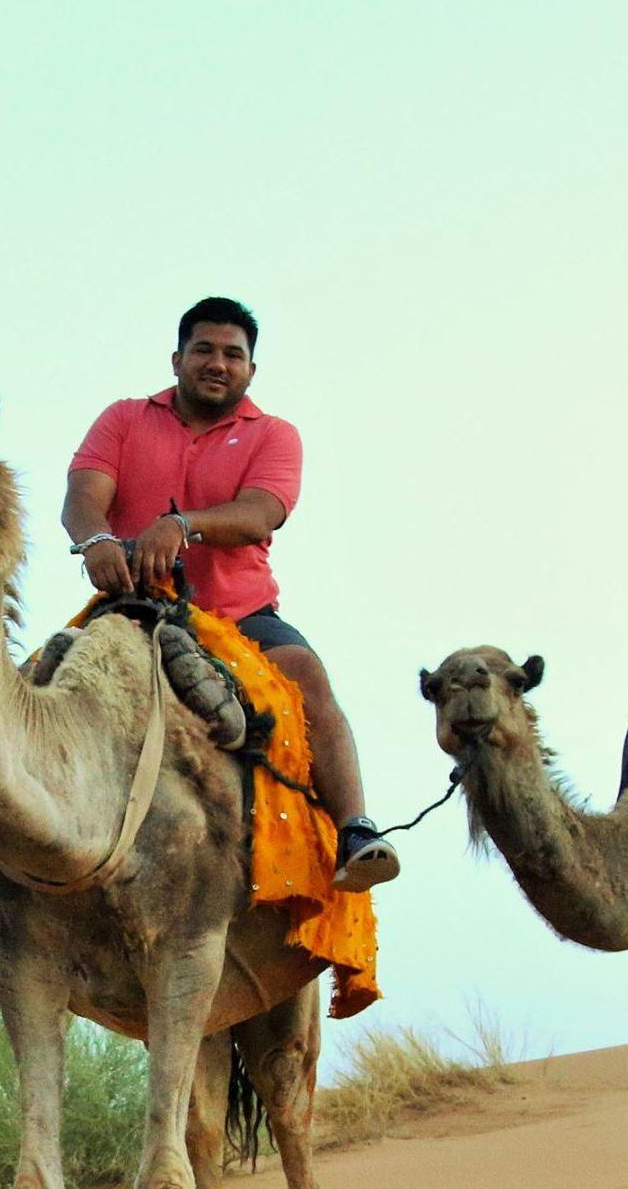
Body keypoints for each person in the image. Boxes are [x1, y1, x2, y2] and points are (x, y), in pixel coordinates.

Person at [62, 295, 398, 889]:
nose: (217, 363)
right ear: (177, 360)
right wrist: (96, 542)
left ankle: (355, 830)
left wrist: (182, 524)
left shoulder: (274, 435)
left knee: (307, 678)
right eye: (204, 350)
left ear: (250, 369)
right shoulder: (123, 419)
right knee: (40, 680)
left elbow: (260, 513)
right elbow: (84, 496)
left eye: (232, 355)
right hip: (131, 605)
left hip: (241, 614)